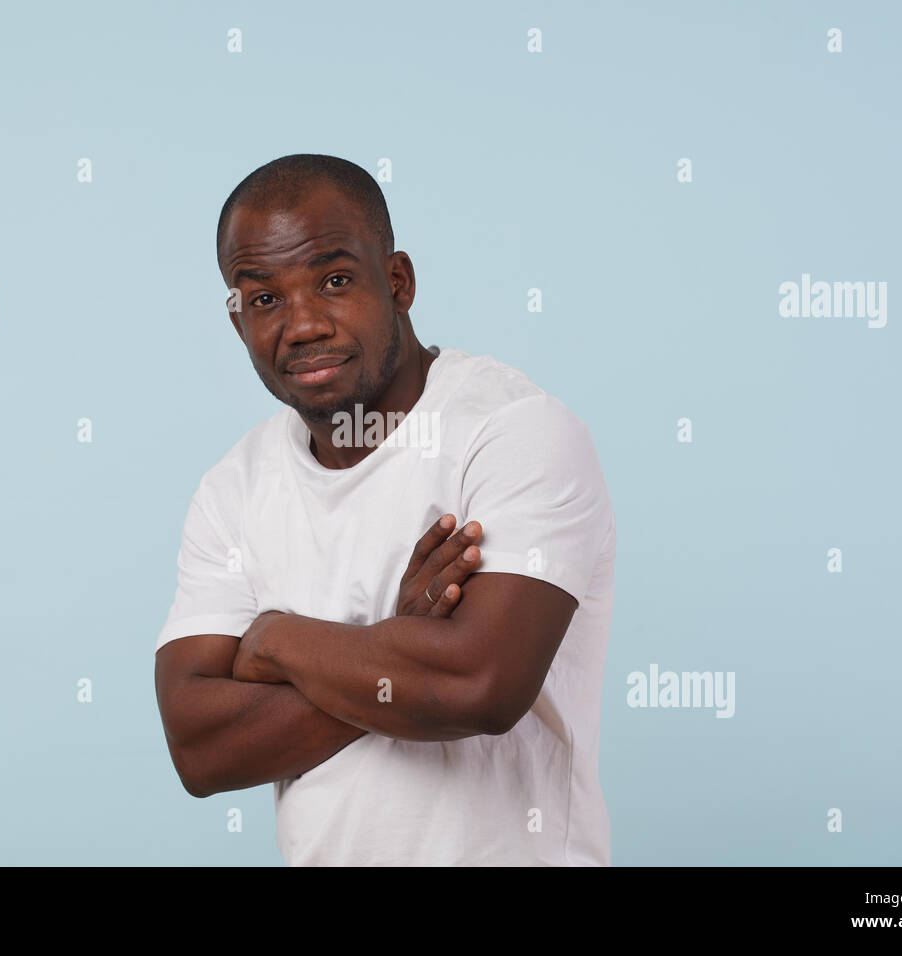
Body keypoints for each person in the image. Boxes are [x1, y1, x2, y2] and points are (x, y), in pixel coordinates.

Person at [153, 154, 617, 865]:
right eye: (265, 299)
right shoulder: (233, 489)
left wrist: (276, 640)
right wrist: (400, 643)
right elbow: (199, 746)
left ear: (396, 281)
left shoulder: (514, 433)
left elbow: (479, 686)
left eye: (334, 281)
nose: (302, 325)